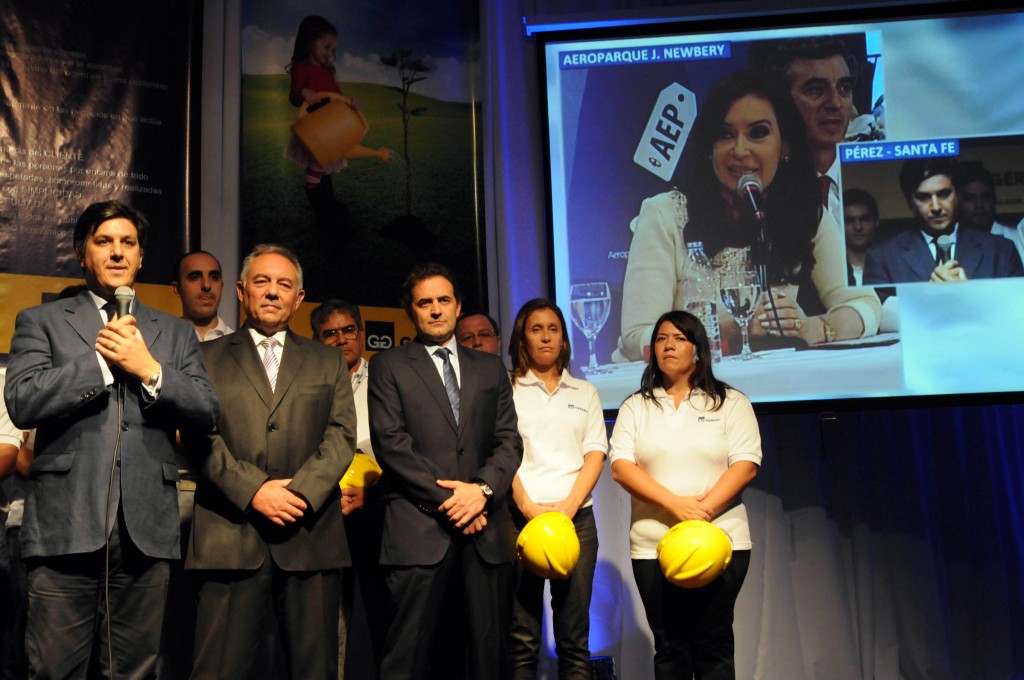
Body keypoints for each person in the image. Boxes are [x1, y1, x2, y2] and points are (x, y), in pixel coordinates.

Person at [3, 200, 220, 679]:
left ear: (142, 257)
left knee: (135, 671)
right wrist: (104, 363)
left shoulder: (176, 332)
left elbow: (207, 411)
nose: (117, 252)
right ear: (83, 254)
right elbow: (22, 400)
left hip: (147, 531)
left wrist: (150, 370)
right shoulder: (42, 321)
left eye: (128, 243)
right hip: (66, 525)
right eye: (104, 242)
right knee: (54, 670)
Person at [618, 70, 880, 362]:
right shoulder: (665, 214)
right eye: (725, 134)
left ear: (785, 147)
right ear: (710, 148)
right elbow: (635, 337)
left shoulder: (804, 213)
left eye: (757, 133)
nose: (740, 150)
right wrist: (731, 335)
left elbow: (864, 304)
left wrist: (814, 328)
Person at [186, 244, 356, 680]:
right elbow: (199, 437)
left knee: (314, 671)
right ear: (241, 292)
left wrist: (296, 495)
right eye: (262, 282)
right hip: (229, 535)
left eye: (285, 285)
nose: (273, 292)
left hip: (310, 534)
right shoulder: (203, 358)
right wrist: (255, 491)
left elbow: (341, 437)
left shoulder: (328, 359)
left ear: (299, 299)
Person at [367, 262, 523, 679]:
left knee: (489, 658)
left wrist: (482, 492)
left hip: (486, 529)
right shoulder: (389, 365)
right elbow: (392, 446)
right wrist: (455, 502)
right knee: (407, 657)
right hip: (419, 531)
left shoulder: (490, 367)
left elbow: (509, 441)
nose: (435, 310)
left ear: (458, 306)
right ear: (411, 311)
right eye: (425, 303)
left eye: (443, 301)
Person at [610, 310, 762, 680]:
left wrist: (703, 510)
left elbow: (746, 463)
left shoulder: (731, 402)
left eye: (679, 338)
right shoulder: (636, 405)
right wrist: (675, 504)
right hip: (653, 546)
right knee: (670, 647)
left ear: (698, 348)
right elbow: (620, 466)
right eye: (661, 339)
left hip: (722, 540)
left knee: (713, 645)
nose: (669, 345)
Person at [506, 299, 606, 680]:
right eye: (536, 329)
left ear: (564, 338)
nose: (545, 336)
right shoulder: (507, 388)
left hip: (576, 520)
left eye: (553, 329)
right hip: (520, 519)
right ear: (522, 338)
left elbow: (596, 453)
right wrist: (529, 507)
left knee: (574, 639)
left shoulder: (585, 391)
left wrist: (567, 507)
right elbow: (502, 454)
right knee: (521, 637)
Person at [310, 298, 389, 673]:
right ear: (316, 339)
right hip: (326, 515)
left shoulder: (387, 380)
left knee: (385, 616)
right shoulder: (309, 383)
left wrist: (373, 494)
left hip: (379, 513)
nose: (341, 339)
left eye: (348, 330)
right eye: (330, 333)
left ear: (361, 334)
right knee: (331, 623)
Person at [285, 15, 388, 225]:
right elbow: (294, 97)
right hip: (315, 130)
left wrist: (352, 105)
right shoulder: (301, 67)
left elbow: (337, 96)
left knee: (326, 168)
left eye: (333, 49)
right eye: (326, 47)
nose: (330, 53)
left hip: (332, 129)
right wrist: (304, 91)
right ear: (310, 40)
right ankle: (321, 207)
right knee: (317, 170)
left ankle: (330, 203)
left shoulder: (327, 71)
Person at [863, 158, 1024, 284]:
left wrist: (971, 294)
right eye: (923, 197)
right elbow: (879, 319)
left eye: (944, 194)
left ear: (958, 196)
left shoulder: (1001, 251)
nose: (936, 207)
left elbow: (1016, 311)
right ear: (909, 201)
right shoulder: (883, 259)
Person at [768, 37, 859, 228]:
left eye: (845, 88)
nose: (835, 103)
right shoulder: (765, 192)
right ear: (783, 99)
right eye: (816, 89)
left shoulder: (869, 180)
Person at [954, 162, 1024, 265]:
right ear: (957, 202)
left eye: (985, 197)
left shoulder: (1017, 238)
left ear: (994, 199)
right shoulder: (950, 244)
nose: (979, 205)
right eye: (970, 198)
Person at [172, 250, 234, 341]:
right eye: (195, 278)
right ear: (177, 289)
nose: (206, 285)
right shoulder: (161, 342)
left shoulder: (241, 345)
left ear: (222, 286)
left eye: (214, 277)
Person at [842, 189, 881, 286]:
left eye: (864, 219)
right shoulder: (832, 272)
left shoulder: (893, 267)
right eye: (849, 221)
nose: (858, 227)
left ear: (876, 222)